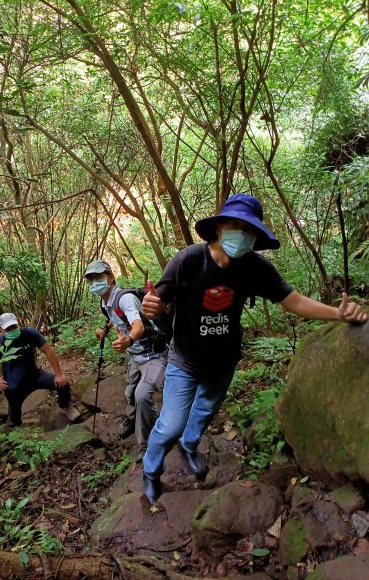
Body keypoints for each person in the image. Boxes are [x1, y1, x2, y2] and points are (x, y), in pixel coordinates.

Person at [140, 193, 368, 503]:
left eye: (249, 230)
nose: (242, 234)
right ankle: (151, 472)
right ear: (219, 227)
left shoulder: (255, 268)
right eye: (236, 225)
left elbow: (294, 301)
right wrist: (151, 307)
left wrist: (338, 314)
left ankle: (190, 446)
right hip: (185, 360)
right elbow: (158, 304)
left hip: (223, 362)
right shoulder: (189, 260)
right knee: (170, 425)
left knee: (205, 412)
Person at [84, 260, 168, 457]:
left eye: (98, 278)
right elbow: (115, 318)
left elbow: (137, 325)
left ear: (110, 278)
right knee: (130, 393)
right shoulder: (106, 302)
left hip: (154, 354)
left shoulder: (125, 299)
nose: (94, 283)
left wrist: (128, 341)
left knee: (142, 396)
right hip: (136, 356)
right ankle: (132, 420)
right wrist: (104, 330)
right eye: (91, 280)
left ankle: (148, 445)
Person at [0, 312, 76, 427]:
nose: (12, 330)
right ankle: (16, 432)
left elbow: (48, 351)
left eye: (14, 327)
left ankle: (64, 408)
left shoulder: (29, 333)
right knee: (14, 417)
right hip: (14, 385)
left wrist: (59, 374)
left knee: (63, 384)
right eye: (8, 329)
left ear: (18, 325)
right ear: (1, 331)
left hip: (36, 376)